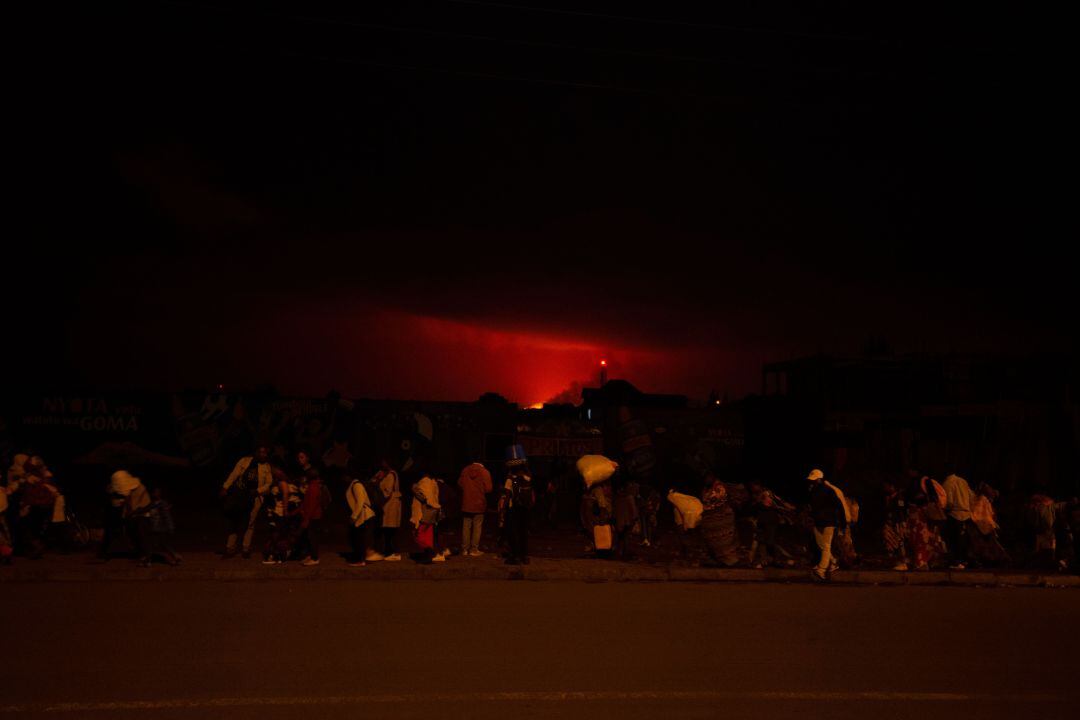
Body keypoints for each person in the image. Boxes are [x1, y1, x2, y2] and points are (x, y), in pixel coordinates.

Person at [219, 446, 273, 559]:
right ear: (256, 452)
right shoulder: (244, 461)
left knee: (250, 523)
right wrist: (225, 487)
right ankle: (230, 548)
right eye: (261, 452)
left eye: (265, 453)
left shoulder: (266, 467)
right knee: (235, 520)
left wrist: (258, 491)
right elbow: (234, 474)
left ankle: (245, 548)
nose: (263, 455)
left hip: (255, 498)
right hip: (240, 495)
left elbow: (269, 483)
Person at [805, 469, 846, 582]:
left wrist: (843, 523)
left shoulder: (829, 491)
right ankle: (833, 562)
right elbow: (812, 507)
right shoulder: (813, 491)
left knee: (826, 546)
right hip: (818, 522)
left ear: (819, 479)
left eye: (814, 480)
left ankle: (821, 570)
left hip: (829, 522)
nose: (811, 482)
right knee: (821, 545)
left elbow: (839, 506)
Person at [263, 462, 301, 564]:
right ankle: (277, 555)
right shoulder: (282, 482)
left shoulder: (282, 482)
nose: (273, 472)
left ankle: (275, 555)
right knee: (279, 534)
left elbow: (285, 495)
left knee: (278, 534)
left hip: (280, 512)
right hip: (278, 512)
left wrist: (285, 510)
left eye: (274, 470)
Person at [503, 445, 535, 565]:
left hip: (514, 509)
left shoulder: (510, 478)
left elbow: (507, 495)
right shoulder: (528, 477)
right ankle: (524, 556)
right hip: (526, 509)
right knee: (523, 532)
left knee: (513, 532)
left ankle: (515, 556)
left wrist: (503, 509)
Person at [134, 486, 180, 566]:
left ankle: (175, 557)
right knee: (152, 544)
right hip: (154, 528)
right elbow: (145, 509)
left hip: (161, 528)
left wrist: (170, 527)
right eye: (154, 492)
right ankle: (148, 561)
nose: (155, 494)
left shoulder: (162, 504)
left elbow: (167, 517)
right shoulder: (153, 504)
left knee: (161, 544)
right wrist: (137, 511)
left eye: (157, 492)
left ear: (160, 494)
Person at [700, 475, 739, 567]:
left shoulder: (719, 487)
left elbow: (717, 501)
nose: (706, 480)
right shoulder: (706, 488)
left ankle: (730, 560)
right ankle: (717, 559)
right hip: (711, 517)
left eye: (708, 478)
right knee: (713, 540)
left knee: (724, 540)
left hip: (721, 515)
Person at [345, 471, 382, 566]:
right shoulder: (355, 484)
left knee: (360, 538)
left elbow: (360, 502)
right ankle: (364, 557)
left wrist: (354, 516)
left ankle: (361, 560)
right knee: (360, 538)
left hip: (364, 516)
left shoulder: (356, 485)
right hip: (364, 515)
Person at [968, 483, 1010, 568]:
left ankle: (997, 560)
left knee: (988, 545)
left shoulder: (982, 500)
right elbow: (979, 515)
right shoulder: (982, 500)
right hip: (984, 526)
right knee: (989, 545)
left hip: (984, 526)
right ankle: (1000, 560)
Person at [457, 461, 492, 556]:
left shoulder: (465, 470)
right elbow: (489, 488)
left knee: (466, 526)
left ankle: (464, 549)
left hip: (466, 502)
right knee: (477, 526)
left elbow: (459, 483)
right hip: (479, 503)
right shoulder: (485, 472)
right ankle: (474, 549)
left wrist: (468, 489)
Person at [942, 473, 975, 570]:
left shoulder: (948, 483)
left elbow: (949, 502)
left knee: (953, 540)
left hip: (954, 514)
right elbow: (972, 497)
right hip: (966, 514)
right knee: (964, 540)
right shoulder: (963, 481)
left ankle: (956, 561)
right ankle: (964, 560)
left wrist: (944, 509)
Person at [295, 467, 328, 566]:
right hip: (314, 515)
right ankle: (311, 555)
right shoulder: (314, 486)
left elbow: (311, 505)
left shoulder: (313, 488)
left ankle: (314, 558)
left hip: (314, 516)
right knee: (310, 537)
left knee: (313, 537)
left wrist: (306, 519)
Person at [410, 473, 443, 563]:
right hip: (432, 512)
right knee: (428, 535)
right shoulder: (433, 482)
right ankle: (428, 556)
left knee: (418, 535)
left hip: (425, 512)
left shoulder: (424, 482)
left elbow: (425, 498)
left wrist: (414, 489)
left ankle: (430, 552)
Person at [375, 460, 403, 561]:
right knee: (387, 528)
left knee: (389, 529)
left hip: (390, 504)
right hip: (388, 504)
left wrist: (378, 484)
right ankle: (388, 550)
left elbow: (387, 491)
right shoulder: (385, 474)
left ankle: (389, 551)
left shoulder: (391, 475)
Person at [121, 471, 151, 564]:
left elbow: (143, 505)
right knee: (134, 536)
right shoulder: (127, 491)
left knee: (142, 536)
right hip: (132, 517)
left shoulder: (140, 489)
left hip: (142, 516)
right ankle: (141, 554)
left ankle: (146, 557)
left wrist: (132, 512)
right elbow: (127, 504)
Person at [667, 488, 704, 561]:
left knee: (687, 535)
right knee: (688, 535)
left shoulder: (678, 499)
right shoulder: (688, 500)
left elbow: (686, 514)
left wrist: (685, 525)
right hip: (691, 519)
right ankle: (688, 552)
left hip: (689, 519)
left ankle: (690, 552)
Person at [612, 478, 640, 560]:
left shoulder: (617, 498)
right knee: (625, 538)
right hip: (627, 521)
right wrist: (635, 520)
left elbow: (614, 510)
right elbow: (634, 511)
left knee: (619, 538)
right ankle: (624, 554)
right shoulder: (629, 497)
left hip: (618, 521)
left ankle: (619, 553)